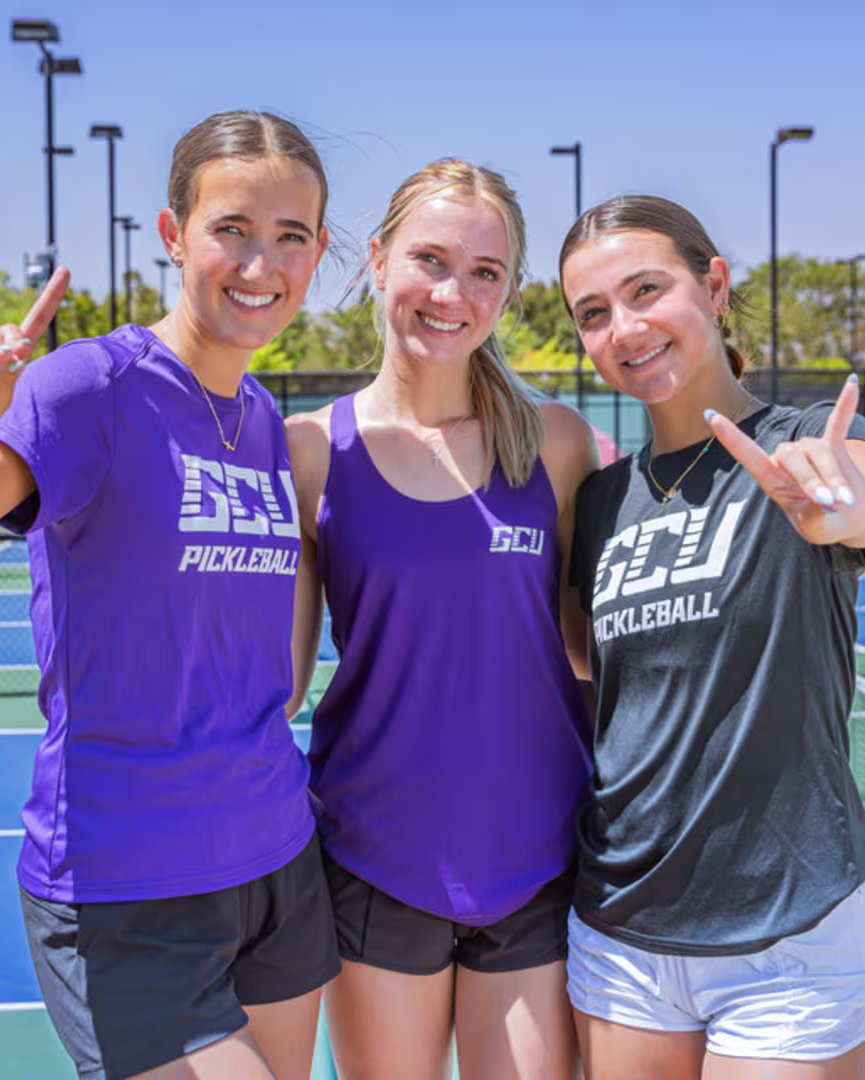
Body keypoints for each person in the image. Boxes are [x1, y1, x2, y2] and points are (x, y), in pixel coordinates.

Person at [0, 111, 339, 1080]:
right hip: (127, 881)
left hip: (275, 858)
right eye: (231, 228)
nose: (260, 262)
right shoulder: (86, 392)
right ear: (174, 233)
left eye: (291, 236)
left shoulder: (265, 421)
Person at [555, 195, 865, 1080]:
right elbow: (590, 666)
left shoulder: (808, 446)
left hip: (789, 929)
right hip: (623, 928)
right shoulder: (600, 501)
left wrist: (839, 505)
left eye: (646, 290)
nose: (624, 327)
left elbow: (861, 504)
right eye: (593, 313)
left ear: (714, 286)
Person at [284, 159, 597, 1080]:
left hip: (538, 860)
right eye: (430, 259)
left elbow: (595, 651)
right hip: (373, 860)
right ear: (378, 261)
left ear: (510, 290)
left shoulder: (560, 445)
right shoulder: (307, 451)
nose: (453, 292)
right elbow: (279, 683)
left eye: (485, 271)